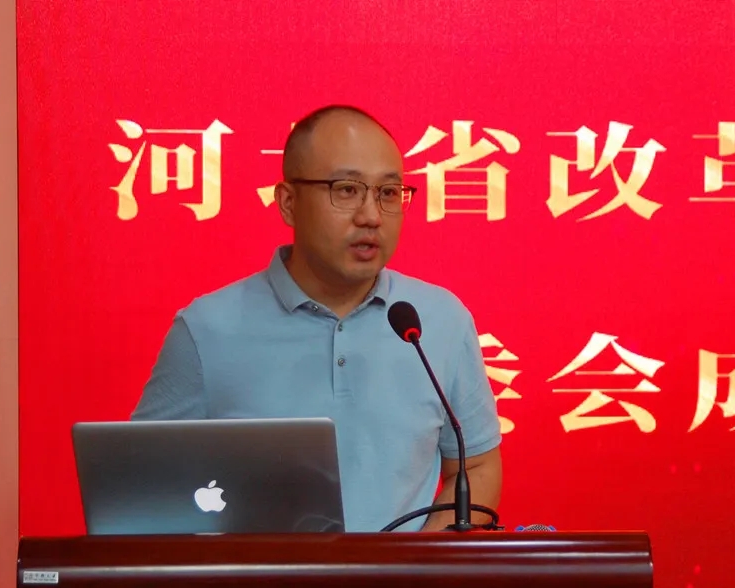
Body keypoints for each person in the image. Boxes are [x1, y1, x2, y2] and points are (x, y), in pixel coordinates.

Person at [131, 104, 503, 532]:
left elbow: (476, 467)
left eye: (388, 193)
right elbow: (141, 486)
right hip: (257, 576)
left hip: (405, 577)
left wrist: (415, 563)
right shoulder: (206, 330)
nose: (371, 216)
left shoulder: (437, 320)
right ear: (288, 203)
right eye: (346, 190)